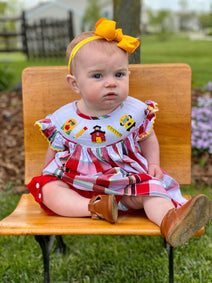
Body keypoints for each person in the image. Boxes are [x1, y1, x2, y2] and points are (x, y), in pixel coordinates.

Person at [28, 18, 212, 247]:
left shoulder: (134, 113)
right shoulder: (65, 120)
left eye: (119, 74)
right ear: (74, 84)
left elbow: (148, 137)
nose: (111, 83)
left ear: (128, 75)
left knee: (152, 189)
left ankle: (170, 221)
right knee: (50, 189)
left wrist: (153, 163)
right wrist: (50, 176)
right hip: (78, 185)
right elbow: (54, 151)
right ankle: (95, 207)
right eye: (98, 76)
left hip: (124, 182)